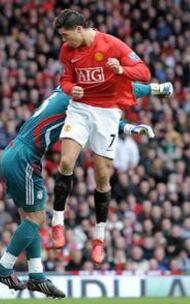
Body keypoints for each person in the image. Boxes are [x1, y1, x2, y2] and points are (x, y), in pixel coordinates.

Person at [0, 80, 169, 294]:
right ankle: (4, 268)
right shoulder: (80, 96)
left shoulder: (68, 92)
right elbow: (121, 94)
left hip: (15, 152)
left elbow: (100, 118)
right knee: (35, 220)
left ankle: (36, 275)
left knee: (30, 219)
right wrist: (154, 90)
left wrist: (129, 126)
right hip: (26, 158)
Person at [51, 9, 152, 264]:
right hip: (80, 109)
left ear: (79, 29)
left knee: (102, 176)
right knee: (66, 162)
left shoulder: (111, 44)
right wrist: (70, 89)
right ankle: (57, 221)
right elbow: (64, 80)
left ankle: (99, 237)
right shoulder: (67, 51)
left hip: (107, 112)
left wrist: (121, 70)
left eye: (66, 35)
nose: (64, 41)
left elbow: (144, 73)